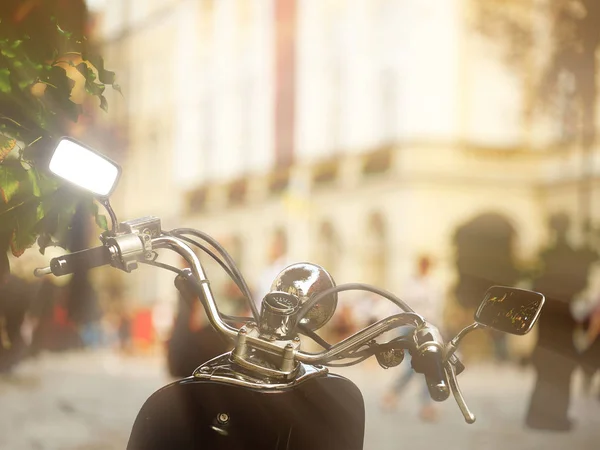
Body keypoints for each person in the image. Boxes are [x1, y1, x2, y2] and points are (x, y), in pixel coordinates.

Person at [525, 214, 596, 431]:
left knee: (548, 374)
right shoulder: (569, 256)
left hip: (550, 322)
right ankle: (552, 418)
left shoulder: (547, 256)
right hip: (560, 322)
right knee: (558, 374)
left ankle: (542, 417)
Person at [380, 255, 444, 422]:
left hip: (427, 329)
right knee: (412, 366)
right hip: (409, 328)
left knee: (426, 366)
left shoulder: (433, 284)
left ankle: (418, 402)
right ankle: (405, 397)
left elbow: (436, 309)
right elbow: (398, 306)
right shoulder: (409, 283)